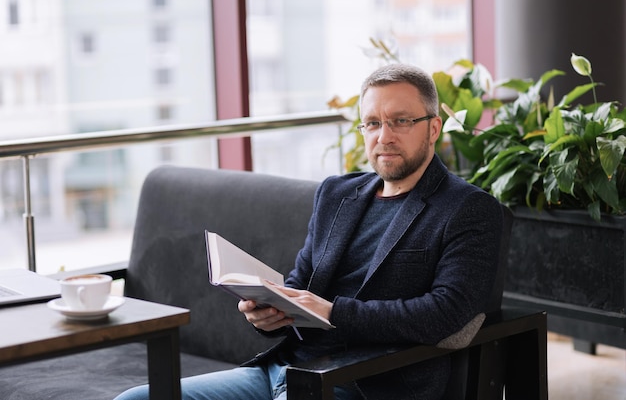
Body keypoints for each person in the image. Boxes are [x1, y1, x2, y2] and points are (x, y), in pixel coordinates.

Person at [114, 63, 503, 400]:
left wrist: (335, 312)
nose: (384, 136)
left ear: (433, 128)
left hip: (365, 383)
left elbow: (446, 313)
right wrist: (271, 312)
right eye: (372, 123)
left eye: (401, 121)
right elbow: (301, 283)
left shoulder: (467, 208)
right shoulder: (337, 194)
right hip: (284, 371)